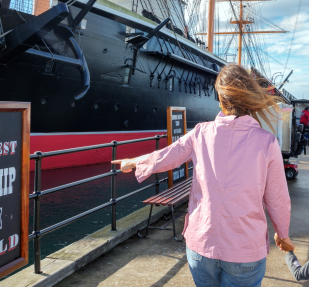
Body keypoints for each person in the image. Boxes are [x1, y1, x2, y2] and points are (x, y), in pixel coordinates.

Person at [112, 64, 293, 287]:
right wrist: (282, 234)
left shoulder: (201, 133)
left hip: (202, 245)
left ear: (222, 99)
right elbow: (277, 197)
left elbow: (168, 155)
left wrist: (134, 161)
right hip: (244, 248)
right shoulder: (267, 142)